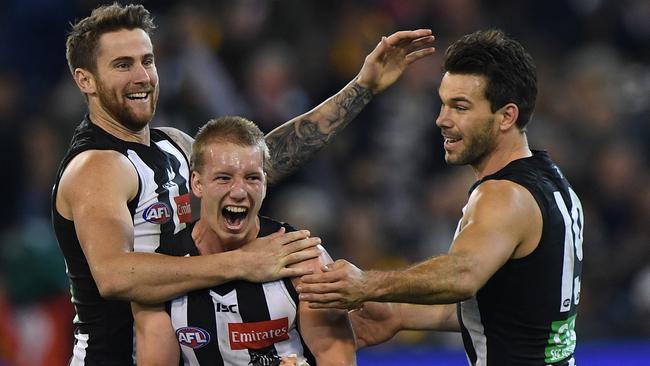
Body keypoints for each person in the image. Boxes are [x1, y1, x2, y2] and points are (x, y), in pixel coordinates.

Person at [52, 3, 435, 365]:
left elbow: (256, 158)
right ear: (85, 80)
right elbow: (114, 276)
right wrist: (241, 263)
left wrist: (361, 88)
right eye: (122, 65)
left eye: (147, 61)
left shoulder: (170, 144)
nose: (142, 77)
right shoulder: (96, 166)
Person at [297, 29, 584, 366]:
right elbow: (504, 310)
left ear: (507, 116)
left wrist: (366, 284)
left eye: (460, 107)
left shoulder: (504, 194)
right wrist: (399, 315)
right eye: (443, 103)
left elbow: (462, 275)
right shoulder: (553, 182)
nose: (442, 120)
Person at [132, 116, 356, 366]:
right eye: (223, 178)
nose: (239, 192)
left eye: (252, 178)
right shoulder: (161, 271)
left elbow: (337, 357)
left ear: (265, 184)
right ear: (197, 183)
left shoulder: (303, 260)